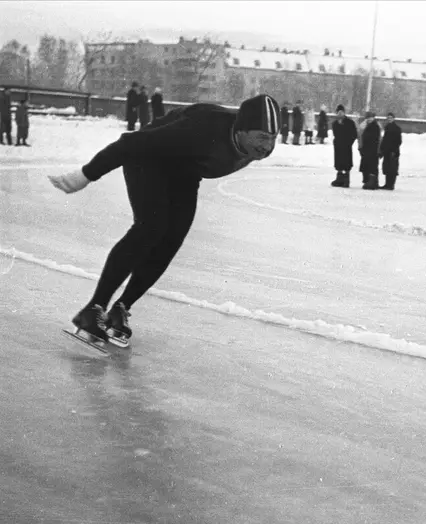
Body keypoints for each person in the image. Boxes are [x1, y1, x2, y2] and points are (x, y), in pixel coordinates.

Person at [47, 94, 281, 347]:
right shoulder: (202, 130)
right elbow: (130, 143)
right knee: (151, 227)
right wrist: (85, 175)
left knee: (173, 238)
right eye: (262, 137)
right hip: (148, 156)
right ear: (241, 130)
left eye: (273, 138)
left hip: (187, 169)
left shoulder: (251, 145)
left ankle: (121, 308)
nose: (267, 147)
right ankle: (93, 309)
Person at [330, 104, 358, 188]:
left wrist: (349, 142)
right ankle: (339, 179)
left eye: (341, 112)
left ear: (344, 113)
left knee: (346, 163)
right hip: (338, 146)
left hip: (346, 146)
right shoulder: (335, 123)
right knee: (339, 162)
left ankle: (346, 180)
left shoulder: (350, 122)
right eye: (338, 112)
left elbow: (354, 134)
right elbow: (336, 134)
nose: (340, 114)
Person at [379, 112, 402, 190]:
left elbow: (398, 141)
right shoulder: (387, 127)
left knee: (392, 169)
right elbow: (385, 140)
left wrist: (394, 150)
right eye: (388, 118)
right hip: (387, 151)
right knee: (387, 168)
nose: (389, 119)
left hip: (393, 152)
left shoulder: (396, 128)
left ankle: (391, 185)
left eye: (391, 118)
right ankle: (387, 184)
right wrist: (382, 149)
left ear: (393, 118)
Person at [359, 111, 381, 190]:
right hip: (366, 149)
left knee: (372, 166)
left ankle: (373, 182)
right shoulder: (364, 126)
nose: (369, 119)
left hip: (373, 149)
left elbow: (377, 139)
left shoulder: (376, 126)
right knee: (366, 166)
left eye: (371, 117)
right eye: (368, 118)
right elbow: (360, 136)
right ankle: (367, 181)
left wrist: (378, 150)